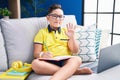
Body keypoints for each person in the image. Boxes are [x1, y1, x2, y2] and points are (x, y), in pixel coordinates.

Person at [31, 4, 93, 80]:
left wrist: (72, 37)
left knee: (77, 59)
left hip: (66, 61)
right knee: (35, 64)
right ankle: (75, 71)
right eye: (54, 16)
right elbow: (36, 54)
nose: (57, 19)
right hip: (48, 62)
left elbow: (75, 51)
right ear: (48, 18)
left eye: (60, 17)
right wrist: (42, 54)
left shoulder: (67, 31)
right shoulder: (41, 32)